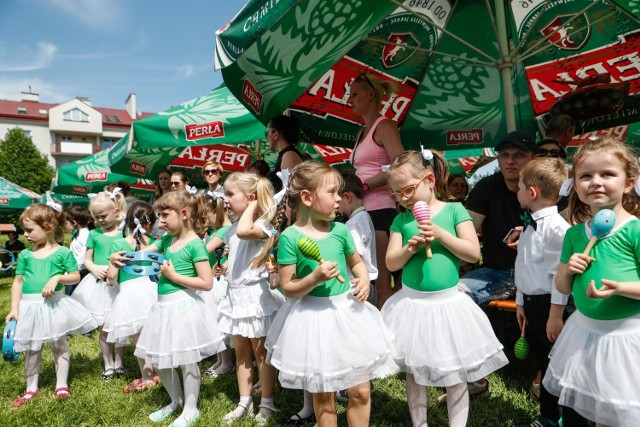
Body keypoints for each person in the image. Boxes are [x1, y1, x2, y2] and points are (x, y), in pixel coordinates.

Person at [267, 161, 398, 427]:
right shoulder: (291, 237)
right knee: (324, 395)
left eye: (340, 193)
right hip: (313, 318)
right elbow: (288, 287)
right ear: (307, 197)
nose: (339, 199)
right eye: (332, 193)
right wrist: (314, 278)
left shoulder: (340, 231)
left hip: (348, 313)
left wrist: (362, 279)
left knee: (360, 390)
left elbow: (357, 263)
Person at [383, 150, 508, 427]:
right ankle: (420, 423)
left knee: (455, 371)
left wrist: (440, 234)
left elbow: (473, 253)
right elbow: (391, 263)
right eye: (396, 194)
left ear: (429, 180)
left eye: (407, 190)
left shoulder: (454, 210)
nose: (403, 198)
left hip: (448, 304)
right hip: (412, 304)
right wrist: (409, 247)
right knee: (415, 372)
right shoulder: (402, 220)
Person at [543, 137, 640, 427]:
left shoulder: (634, 230)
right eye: (586, 176)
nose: (596, 182)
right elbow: (561, 287)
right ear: (575, 186)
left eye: (607, 174)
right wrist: (568, 271)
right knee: (588, 406)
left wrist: (620, 288)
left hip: (626, 337)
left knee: (620, 413)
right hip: (584, 332)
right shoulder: (574, 236)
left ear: (628, 182)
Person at [111, 189, 226, 426]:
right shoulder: (166, 240)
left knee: (187, 361)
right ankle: (175, 401)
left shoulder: (195, 245)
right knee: (159, 359)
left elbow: (206, 283)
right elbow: (139, 256)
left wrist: (173, 275)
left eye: (164, 215)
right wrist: (118, 258)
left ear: (184, 214)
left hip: (184, 307)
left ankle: (191, 409)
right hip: (162, 309)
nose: (160, 222)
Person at [457, 130, 536, 398]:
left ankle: (544, 381)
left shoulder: (547, 187)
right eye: (504, 155)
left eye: (518, 155)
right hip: (496, 271)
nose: (510, 161)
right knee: (453, 297)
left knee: (567, 306)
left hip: (540, 273)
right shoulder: (487, 186)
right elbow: (467, 231)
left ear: (533, 158)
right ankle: (476, 376)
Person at [5, 204, 97, 408]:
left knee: (58, 344)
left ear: (47, 227)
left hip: (54, 305)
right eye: (24, 231)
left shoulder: (62, 253)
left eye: (29, 230)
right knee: (32, 347)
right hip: (29, 307)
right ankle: (30, 388)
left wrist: (57, 278)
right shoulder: (26, 255)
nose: (25, 235)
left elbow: (74, 277)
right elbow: (18, 282)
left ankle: (61, 385)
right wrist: (14, 308)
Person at [214, 171, 283, 425]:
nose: (226, 200)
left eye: (230, 194)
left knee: (260, 352)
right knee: (241, 351)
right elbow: (238, 252)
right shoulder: (232, 229)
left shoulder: (264, 225)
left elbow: (245, 232)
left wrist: (254, 205)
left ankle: (267, 402)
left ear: (250, 197)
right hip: (235, 294)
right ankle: (244, 400)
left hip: (256, 296)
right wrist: (224, 268)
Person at [514, 157, 570, 427]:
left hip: (551, 305)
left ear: (532, 192)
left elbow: (559, 277)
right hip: (533, 304)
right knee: (541, 356)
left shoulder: (558, 229)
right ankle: (549, 414)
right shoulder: (528, 225)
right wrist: (520, 301)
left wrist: (553, 316)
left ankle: (553, 416)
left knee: (554, 363)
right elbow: (523, 268)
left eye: (519, 186)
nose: (517, 191)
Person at [348, 72, 405, 309]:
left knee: (383, 284)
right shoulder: (361, 132)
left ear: (371, 95)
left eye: (354, 94)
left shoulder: (385, 126)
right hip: (361, 213)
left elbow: (401, 165)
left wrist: (365, 185)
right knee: (367, 280)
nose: (349, 100)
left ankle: (390, 341)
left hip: (381, 211)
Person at [71, 189, 127, 381]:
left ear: (116, 211)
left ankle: (119, 363)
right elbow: (87, 259)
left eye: (103, 215)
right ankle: (108, 365)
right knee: (104, 327)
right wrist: (94, 268)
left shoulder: (124, 233)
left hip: (120, 282)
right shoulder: (94, 234)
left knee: (120, 325)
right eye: (97, 217)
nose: (100, 220)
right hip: (99, 284)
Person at [104, 201, 159, 393]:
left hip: (129, 293)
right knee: (154, 334)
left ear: (127, 222)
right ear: (150, 223)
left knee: (139, 339)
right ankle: (160, 370)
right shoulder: (153, 242)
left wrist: (110, 279)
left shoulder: (118, 244)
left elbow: (111, 277)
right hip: (151, 290)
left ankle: (147, 377)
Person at [201, 192, 235, 379]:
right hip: (213, 278)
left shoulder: (224, 231)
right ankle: (222, 359)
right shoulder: (215, 231)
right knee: (214, 321)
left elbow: (204, 250)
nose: (206, 218)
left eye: (208, 214)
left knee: (219, 320)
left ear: (218, 211)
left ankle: (227, 361)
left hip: (220, 282)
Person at [338, 170, 378, 306]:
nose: (337, 208)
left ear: (347, 197)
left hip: (358, 285)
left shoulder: (354, 224)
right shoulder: (364, 217)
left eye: (338, 202)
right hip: (367, 283)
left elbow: (354, 256)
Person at [265, 115, 304, 193]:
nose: (266, 137)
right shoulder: (286, 155)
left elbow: (288, 191)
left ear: (276, 134)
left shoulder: (289, 156)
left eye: (267, 133)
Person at [65, 206, 92, 295]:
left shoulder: (85, 236)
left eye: (66, 223)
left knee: (73, 297)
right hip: (74, 270)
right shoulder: (78, 234)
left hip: (79, 273)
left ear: (74, 222)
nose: (65, 226)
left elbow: (82, 257)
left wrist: (70, 272)